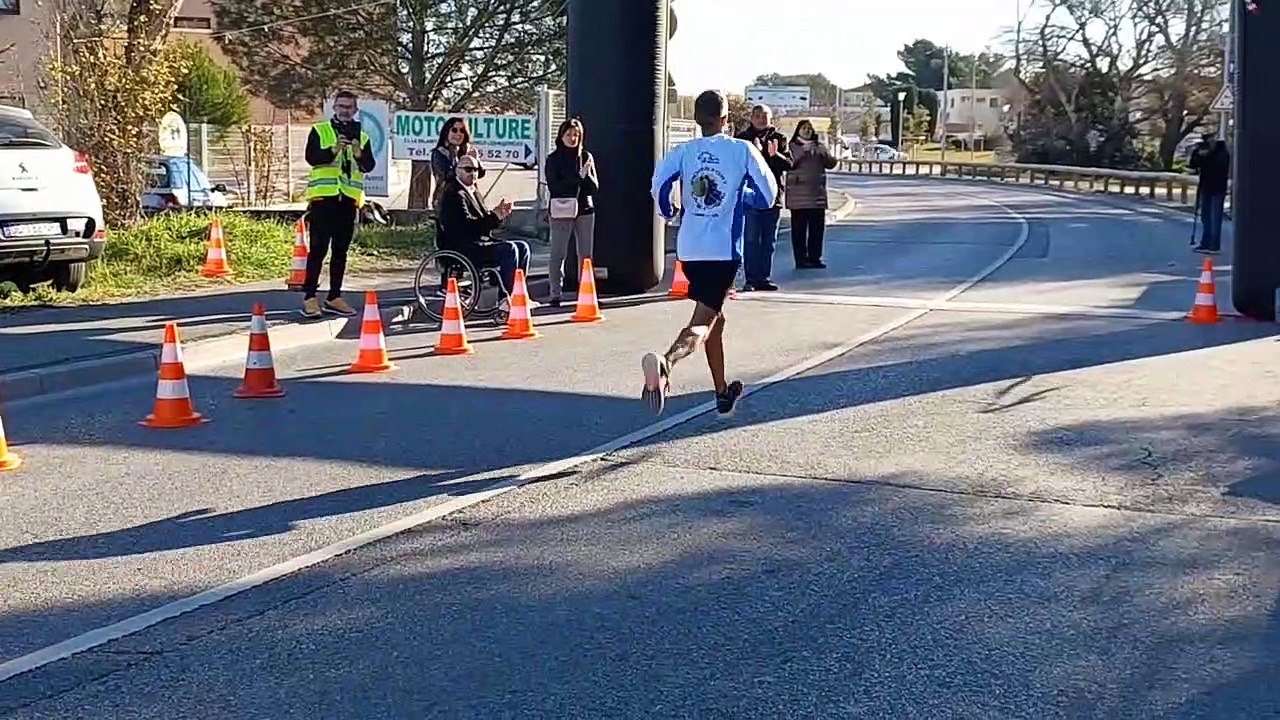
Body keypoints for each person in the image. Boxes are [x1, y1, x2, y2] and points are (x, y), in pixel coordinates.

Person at [644, 90, 778, 416]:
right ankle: (666, 362)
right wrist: (742, 198)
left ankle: (722, 392)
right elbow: (768, 194)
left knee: (715, 318)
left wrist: (669, 210)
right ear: (726, 119)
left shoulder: (684, 150)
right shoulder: (741, 149)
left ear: (696, 119)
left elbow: (659, 184)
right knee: (701, 324)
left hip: (689, 251)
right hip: (722, 252)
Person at [300, 90, 376, 318]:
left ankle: (334, 296)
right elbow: (312, 158)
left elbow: (368, 165)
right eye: (341, 106)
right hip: (325, 199)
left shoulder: (361, 136)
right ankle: (310, 297)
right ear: (334, 107)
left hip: (348, 201)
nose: (345, 111)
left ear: (355, 110)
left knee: (340, 252)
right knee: (318, 250)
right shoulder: (320, 131)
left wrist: (357, 152)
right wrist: (334, 149)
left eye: (349, 107)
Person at [437, 154, 531, 310]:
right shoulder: (455, 194)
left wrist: (499, 215)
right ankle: (505, 298)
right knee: (509, 249)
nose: (473, 173)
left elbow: (484, 222)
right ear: (457, 171)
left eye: (475, 169)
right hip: (465, 247)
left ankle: (517, 293)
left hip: (480, 241)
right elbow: (468, 226)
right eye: (468, 169)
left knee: (523, 247)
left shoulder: (473, 191)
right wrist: (494, 216)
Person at [734, 104, 792, 291]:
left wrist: (774, 156)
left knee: (768, 241)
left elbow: (790, 164)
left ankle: (764, 277)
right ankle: (751, 278)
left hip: (773, 197)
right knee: (750, 239)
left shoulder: (779, 138)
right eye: (757, 115)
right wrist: (757, 154)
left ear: (771, 118)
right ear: (751, 118)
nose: (760, 119)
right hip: (750, 196)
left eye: (764, 115)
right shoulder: (743, 140)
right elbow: (737, 165)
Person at [544, 117, 599, 307]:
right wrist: (578, 178)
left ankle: (585, 291)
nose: (572, 138)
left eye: (576, 135)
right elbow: (555, 187)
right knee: (558, 253)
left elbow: (594, 187)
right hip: (561, 209)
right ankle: (555, 293)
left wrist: (586, 176)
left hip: (585, 209)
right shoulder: (554, 159)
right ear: (561, 136)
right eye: (569, 134)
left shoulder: (585, 156)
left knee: (585, 255)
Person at [786, 119, 838, 269]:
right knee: (799, 230)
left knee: (817, 229)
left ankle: (815, 257)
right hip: (798, 196)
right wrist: (805, 150)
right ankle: (801, 259)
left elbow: (831, 164)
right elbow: (790, 162)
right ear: (798, 130)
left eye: (810, 128)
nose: (807, 131)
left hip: (817, 195)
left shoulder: (819, 147)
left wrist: (825, 153)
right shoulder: (791, 146)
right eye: (804, 128)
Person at [1188, 130, 1230, 255]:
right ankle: (1205, 242)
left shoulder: (1221, 152)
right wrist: (1198, 154)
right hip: (1205, 187)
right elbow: (1192, 164)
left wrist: (1207, 156)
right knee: (1205, 217)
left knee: (1215, 218)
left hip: (1217, 188)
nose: (1209, 141)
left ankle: (1214, 245)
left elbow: (1220, 167)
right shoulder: (1203, 150)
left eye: (1210, 138)